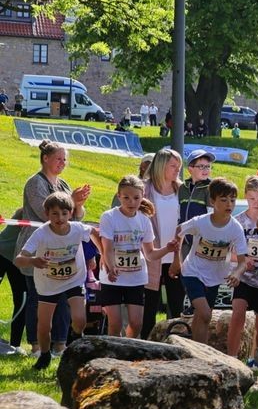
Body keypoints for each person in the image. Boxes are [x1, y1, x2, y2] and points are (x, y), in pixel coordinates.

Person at [19, 141, 91, 354]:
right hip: (38, 248)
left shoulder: (64, 184)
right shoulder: (35, 183)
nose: (62, 163)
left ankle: (60, 344)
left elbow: (76, 216)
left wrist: (78, 203)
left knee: (64, 299)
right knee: (37, 298)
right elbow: (45, 213)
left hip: (64, 252)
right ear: (45, 158)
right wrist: (72, 199)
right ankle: (36, 345)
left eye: (64, 159)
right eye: (58, 158)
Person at [15, 192, 92, 370]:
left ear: (71, 214)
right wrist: (33, 260)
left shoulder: (78, 228)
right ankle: (44, 355)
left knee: (80, 319)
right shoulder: (41, 233)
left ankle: (75, 340)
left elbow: (94, 233)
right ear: (47, 215)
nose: (60, 218)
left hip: (74, 278)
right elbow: (19, 259)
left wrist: (102, 255)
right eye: (55, 213)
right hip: (48, 283)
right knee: (44, 325)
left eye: (64, 213)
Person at [98, 176, 178, 338]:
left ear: (142, 197)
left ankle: (127, 353)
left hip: (136, 278)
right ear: (119, 196)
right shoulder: (109, 217)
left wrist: (167, 249)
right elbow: (107, 248)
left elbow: (150, 254)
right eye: (126, 197)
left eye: (136, 198)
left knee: (136, 324)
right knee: (116, 323)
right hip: (112, 277)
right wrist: (111, 267)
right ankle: (113, 356)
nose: (131, 202)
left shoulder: (144, 220)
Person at [176, 178, 249, 346]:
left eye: (232, 199)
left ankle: (195, 350)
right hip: (192, 272)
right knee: (206, 313)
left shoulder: (235, 228)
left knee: (202, 318)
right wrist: (176, 261)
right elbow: (178, 232)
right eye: (223, 200)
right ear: (212, 201)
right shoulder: (200, 222)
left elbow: (243, 261)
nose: (229, 204)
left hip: (215, 277)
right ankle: (202, 354)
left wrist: (237, 273)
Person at [230, 175, 258, 370]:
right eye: (252, 199)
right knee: (238, 313)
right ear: (246, 197)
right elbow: (227, 252)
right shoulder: (237, 222)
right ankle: (230, 357)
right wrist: (242, 259)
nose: (256, 204)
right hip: (244, 277)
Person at [140, 147, 184, 339]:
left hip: (176, 256)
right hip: (150, 256)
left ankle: (176, 343)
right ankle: (145, 343)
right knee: (149, 306)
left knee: (176, 306)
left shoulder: (182, 190)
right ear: (160, 166)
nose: (177, 170)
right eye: (173, 166)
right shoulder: (143, 189)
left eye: (179, 166)